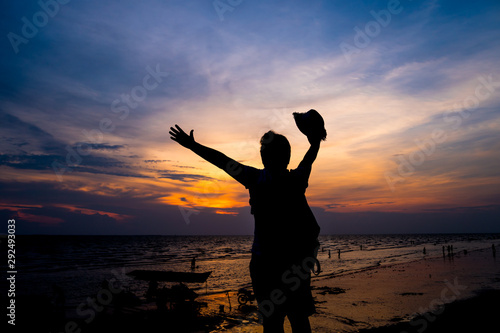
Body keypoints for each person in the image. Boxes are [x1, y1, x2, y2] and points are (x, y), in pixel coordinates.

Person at [170, 121, 322, 333]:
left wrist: (192, 146)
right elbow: (310, 156)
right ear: (286, 157)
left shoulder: (256, 179)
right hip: (292, 267)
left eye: (264, 152)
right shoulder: (295, 180)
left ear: (265, 157)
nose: (262, 156)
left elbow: (223, 161)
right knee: (298, 321)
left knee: (273, 323)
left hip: (267, 266)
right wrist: (315, 141)